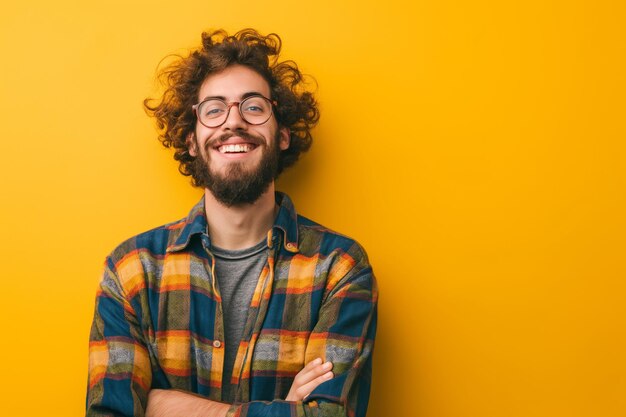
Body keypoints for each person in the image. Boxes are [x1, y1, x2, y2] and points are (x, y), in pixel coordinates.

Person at [86, 28, 377, 417]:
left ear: (283, 135)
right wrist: (284, 410)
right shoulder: (132, 271)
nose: (234, 122)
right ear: (192, 141)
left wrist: (171, 407)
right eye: (214, 109)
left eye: (254, 107)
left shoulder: (339, 268)